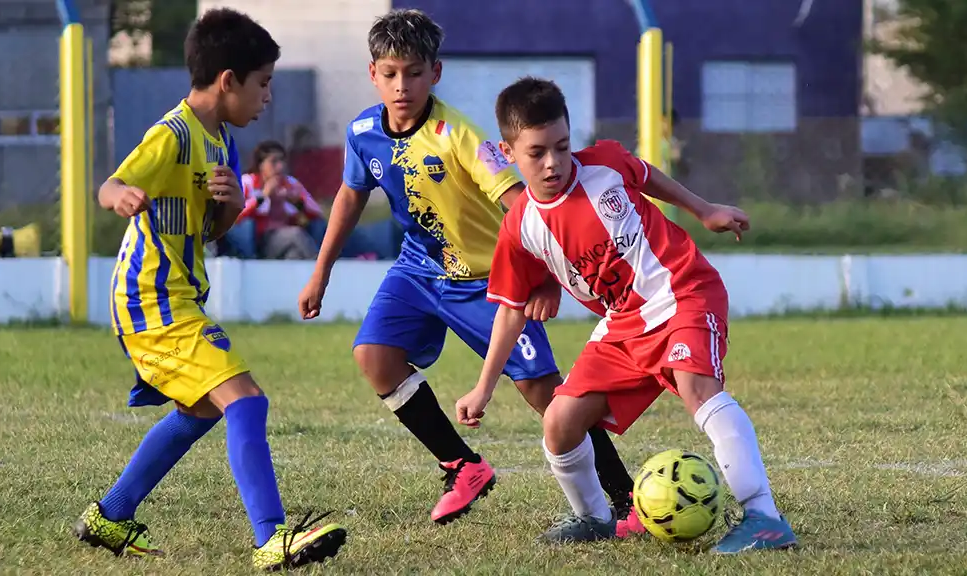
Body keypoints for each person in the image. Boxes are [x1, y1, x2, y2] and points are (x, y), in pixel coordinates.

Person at [297, 9, 638, 528]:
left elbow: (522, 203)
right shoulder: (363, 132)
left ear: (435, 72)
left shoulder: (460, 136)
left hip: (487, 280)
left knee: (545, 394)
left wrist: (545, 277)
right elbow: (350, 195)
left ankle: (625, 498)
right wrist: (320, 271)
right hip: (418, 269)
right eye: (390, 74)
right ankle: (463, 466)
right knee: (374, 356)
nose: (402, 86)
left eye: (414, 73)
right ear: (373, 74)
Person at [455, 77, 798, 552]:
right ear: (508, 151)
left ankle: (764, 518)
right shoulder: (519, 228)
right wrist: (483, 387)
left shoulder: (605, 164)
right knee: (559, 421)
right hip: (625, 323)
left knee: (697, 388)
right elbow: (510, 312)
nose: (553, 162)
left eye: (562, 146)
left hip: (681, 291)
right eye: (537, 152)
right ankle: (593, 517)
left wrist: (703, 210)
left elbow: (647, 175)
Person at [72, 9, 346, 570]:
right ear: (227, 81)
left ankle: (111, 515)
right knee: (246, 400)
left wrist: (231, 206)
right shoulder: (172, 135)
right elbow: (110, 185)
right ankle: (271, 539)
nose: (268, 96)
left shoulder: (222, 141)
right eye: (263, 82)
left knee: (200, 411)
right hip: (150, 299)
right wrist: (121, 197)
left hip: (178, 297)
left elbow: (211, 231)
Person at [234, 140, 325, 260]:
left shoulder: (290, 183)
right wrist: (262, 197)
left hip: (285, 238)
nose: (280, 166)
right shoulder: (248, 182)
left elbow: (318, 214)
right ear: (261, 165)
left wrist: (298, 202)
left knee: (294, 255)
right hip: (260, 240)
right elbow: (236, 216)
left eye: (282, 160)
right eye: (274, 161)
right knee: (296, 234)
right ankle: (321, 264)